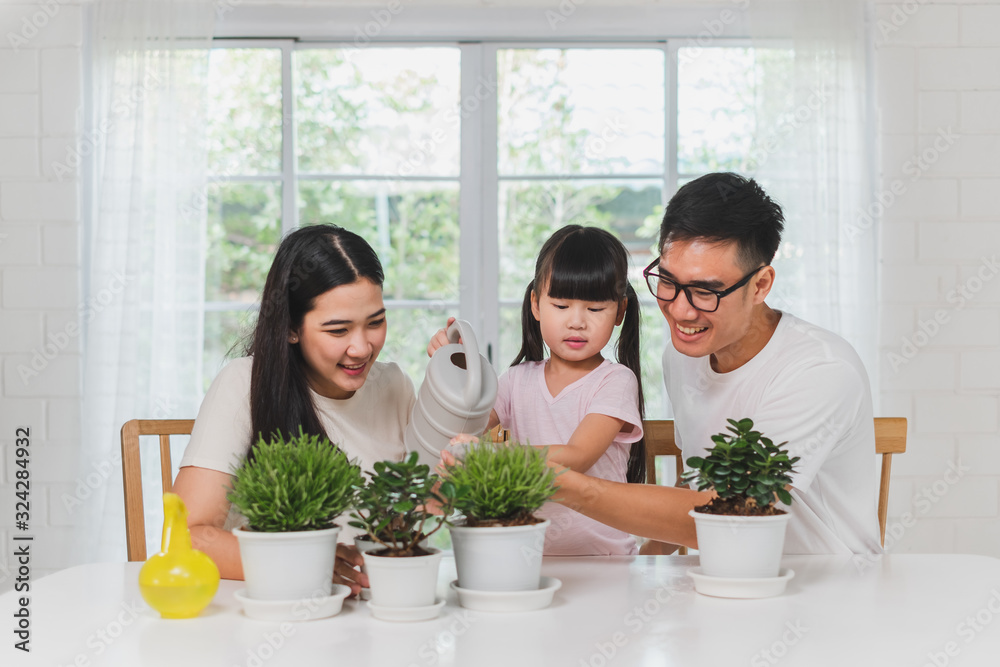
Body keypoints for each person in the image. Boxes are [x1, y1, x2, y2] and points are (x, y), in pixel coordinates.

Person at [552, 173, 882, 555]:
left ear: (760, 285)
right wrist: (641, 566)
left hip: (825, 590)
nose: (679, 310)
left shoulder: (820, 370)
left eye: (705, 291)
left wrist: (562, 483)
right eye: (668, 281)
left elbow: (729, 518)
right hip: (727, 582)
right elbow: (696, 488)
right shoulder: (683, 355)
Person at [173, 224, 425, 594]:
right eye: (338, 331)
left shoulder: (394, 387)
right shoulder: (244, 384)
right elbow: (186, 538)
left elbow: (413, 521)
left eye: (375, 322)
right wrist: (306, 564)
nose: (362, 348)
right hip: (273, 613)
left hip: (368, 612)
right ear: (291, 327)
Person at [434, 225, 646, 556]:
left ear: (620, 311)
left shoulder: (615, 381)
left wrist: (494, 455)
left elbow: (577, 456)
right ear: (535, 304)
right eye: (561, 306)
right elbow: (464, 427)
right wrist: (454, 370)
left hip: (606, 561)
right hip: (527, 558)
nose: (577, 322)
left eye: (594, 309)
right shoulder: (514, 380)